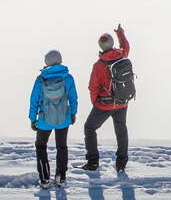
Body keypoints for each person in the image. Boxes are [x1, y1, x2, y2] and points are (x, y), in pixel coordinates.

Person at [80, 25, 132, 172]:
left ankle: (93, 162)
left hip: (104, 105)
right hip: (122, 102)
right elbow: (126, 46)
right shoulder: (122, 55)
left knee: (89, 128)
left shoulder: (99, 65)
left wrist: (95, 103)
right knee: (121, 130)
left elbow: (93, 87)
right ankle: (121, 163)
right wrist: (120, 34)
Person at [29, 50, 78, 189]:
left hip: (44, 120)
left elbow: (34, 100)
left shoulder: (41, 79)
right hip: (63, 118)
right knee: (62, 147)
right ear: (60, 60)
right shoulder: (67, 77)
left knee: (41, 146)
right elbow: (73, 98)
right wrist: (73, 114)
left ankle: (44, 179)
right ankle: (60, 177)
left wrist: (33, 119)